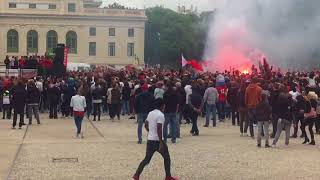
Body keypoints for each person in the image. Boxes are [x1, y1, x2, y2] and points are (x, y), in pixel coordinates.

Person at [132, 98, 178, 180]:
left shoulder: (150, 113)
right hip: (158, 140)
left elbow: (146, 124)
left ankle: (136, 175)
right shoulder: (160, 115)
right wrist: (161, 141)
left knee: (147, 159)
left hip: (150, 140)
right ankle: (168, 176)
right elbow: (159, 128)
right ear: (162, 106)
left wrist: (150, 132)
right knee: (167, 158)